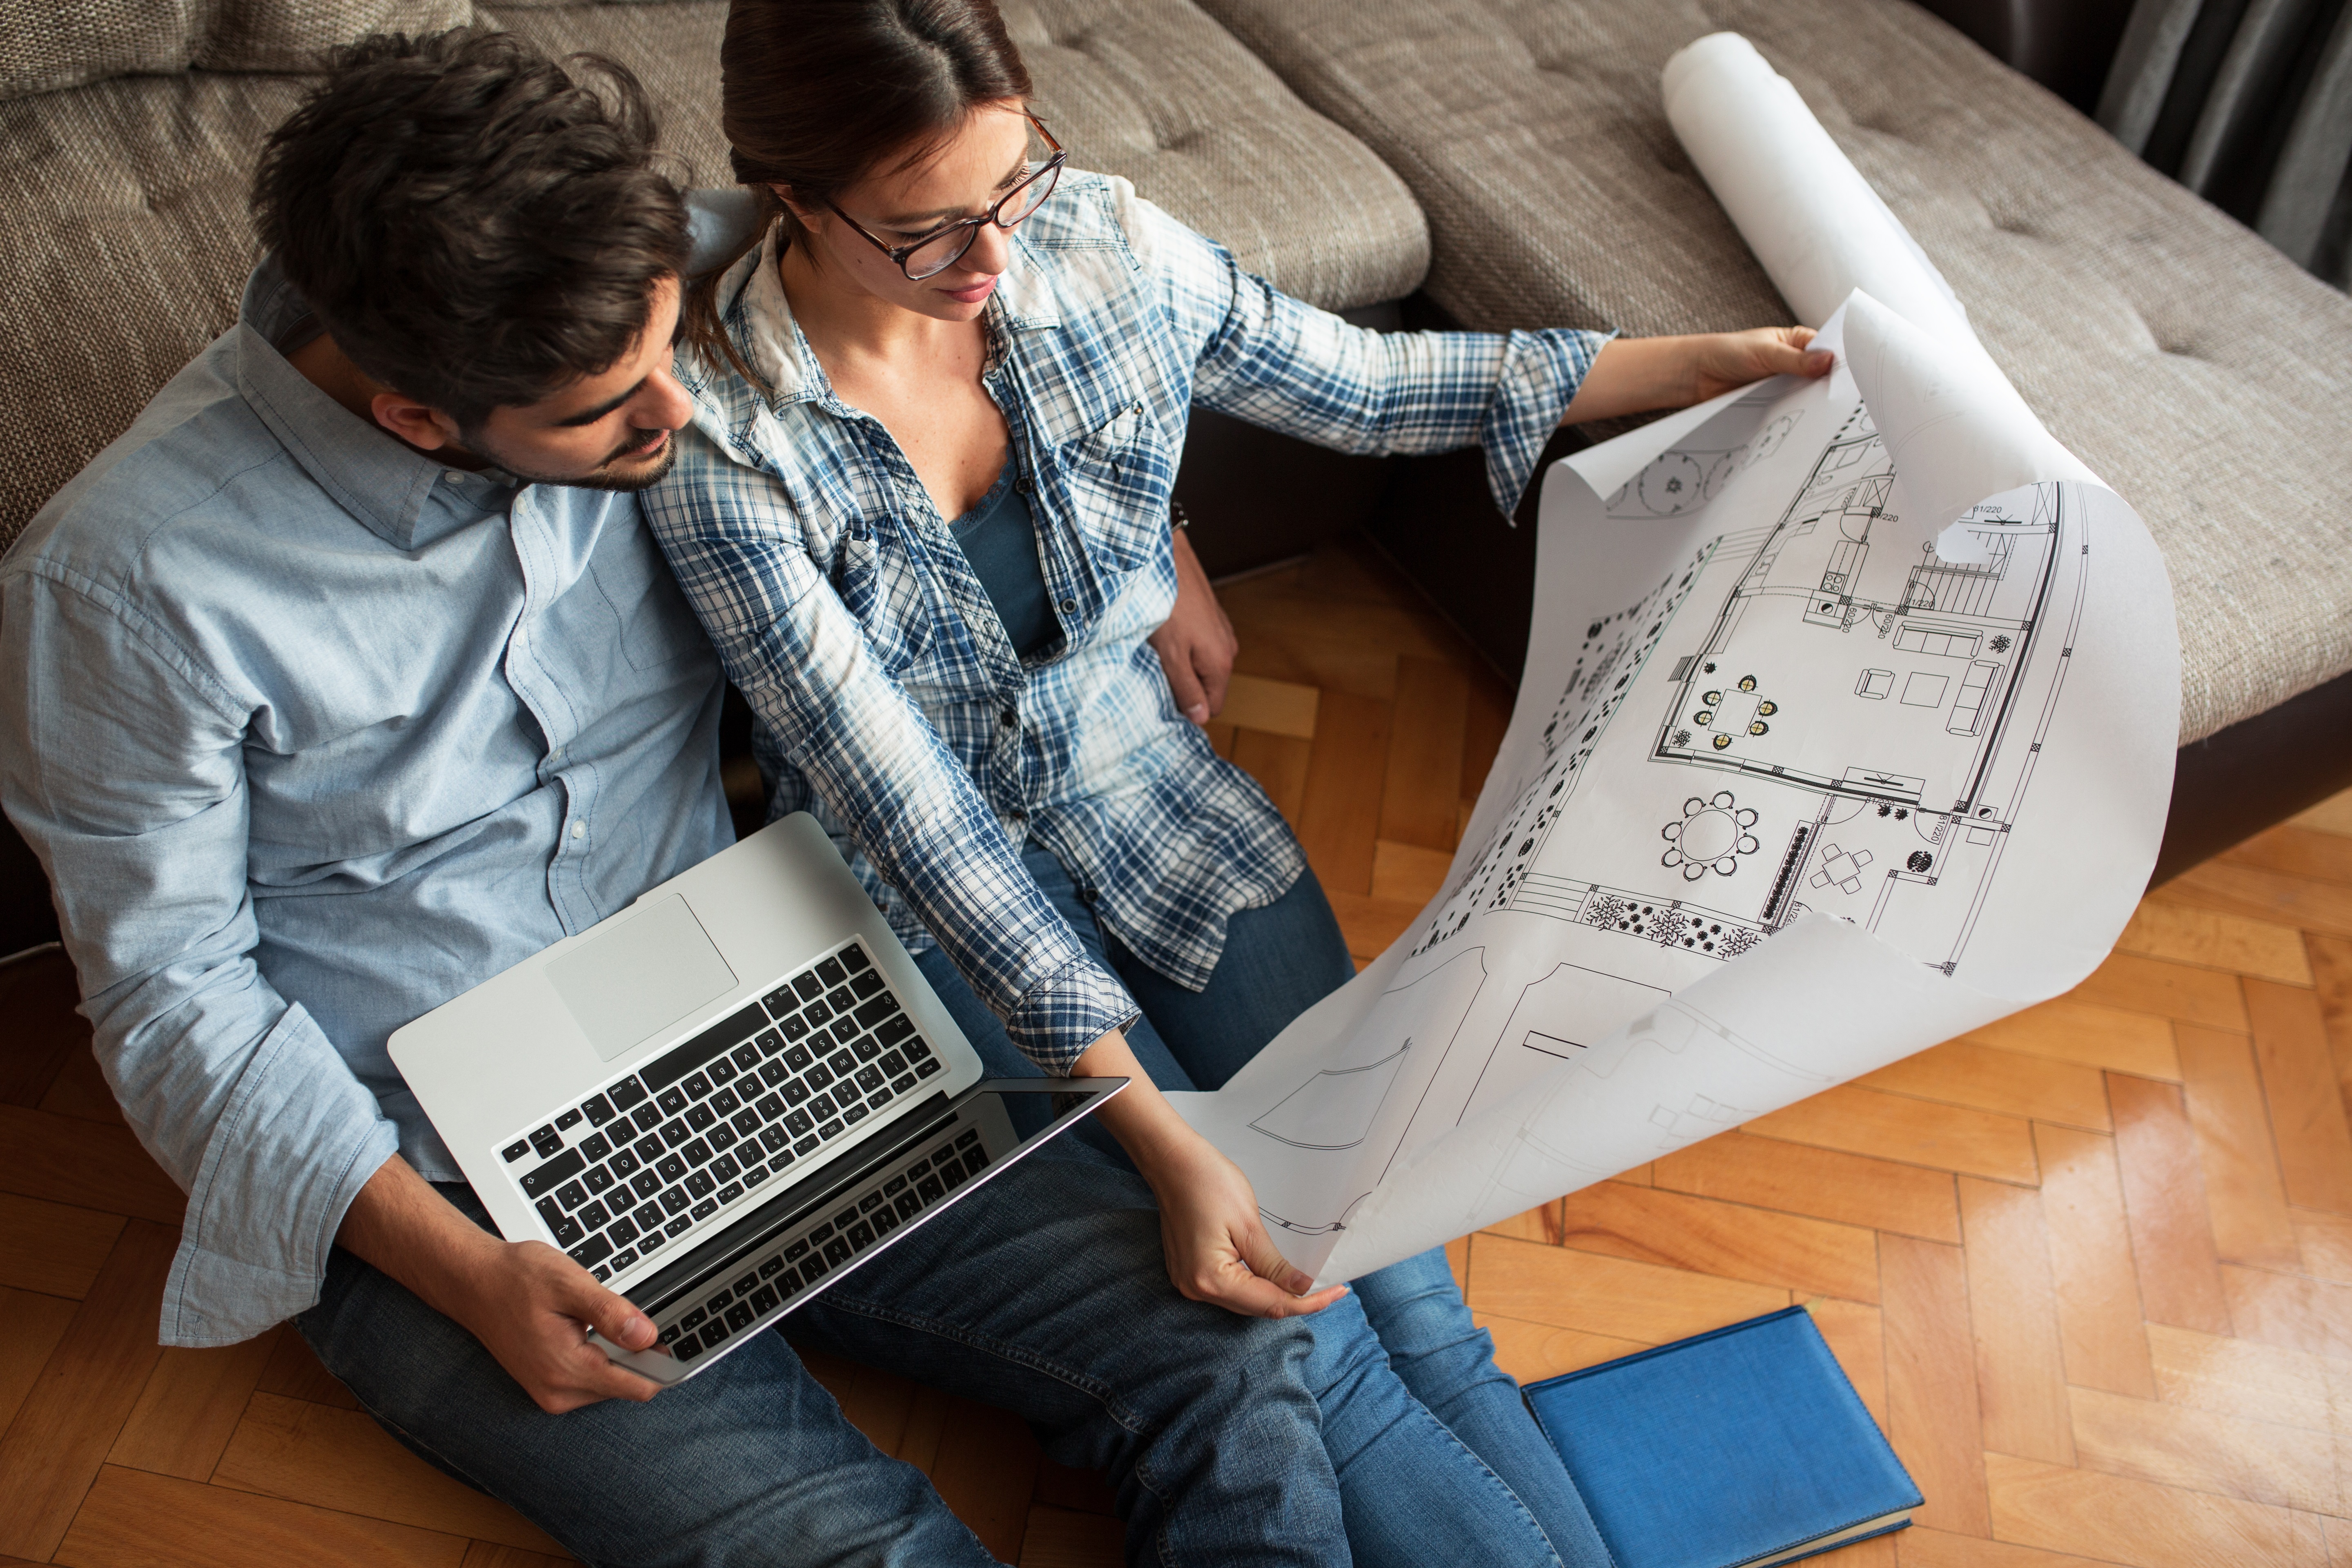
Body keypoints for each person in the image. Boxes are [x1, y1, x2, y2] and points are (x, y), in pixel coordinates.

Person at [0, 29, 1414, 1567]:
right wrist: (468, 1278)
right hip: (433, 1170)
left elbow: (1004, 290)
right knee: (856, 1549)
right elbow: (170, 998)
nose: (689, 420)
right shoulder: (124, 585)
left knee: (1225, 1345)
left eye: (674, 349)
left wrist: (1171, 545)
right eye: (614, 412)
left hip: (774, 1021)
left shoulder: (681, 275)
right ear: (420, 416)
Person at [646, 1, 1832, 1563]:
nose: (991, 260)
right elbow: (920, 833)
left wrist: (1736, 365)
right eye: (927, 234)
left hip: (1164, 808)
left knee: (1411, 1295)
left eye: (1012, 186)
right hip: (930, 921)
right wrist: (1164, 1141)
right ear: (792, 195)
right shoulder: (724, 438)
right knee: (1319, 1346)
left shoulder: (1099, 246)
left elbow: (1374, 384)